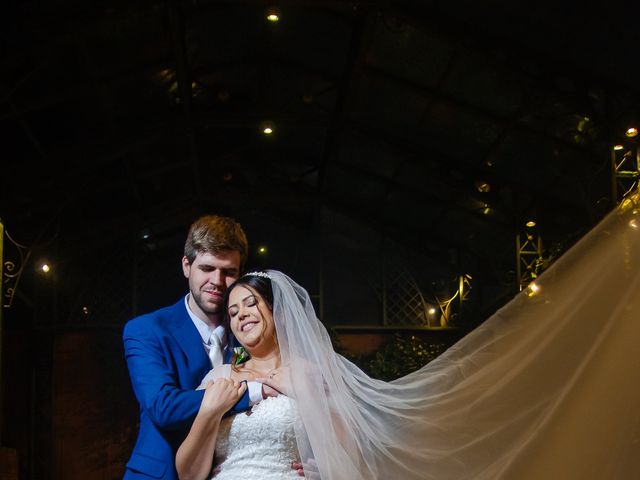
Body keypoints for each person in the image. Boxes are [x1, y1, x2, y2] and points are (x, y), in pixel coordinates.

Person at [178, 190, 640, 480]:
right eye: (234, 311)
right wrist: (208, 413)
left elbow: (348, 451)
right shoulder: (219, 378)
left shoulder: (312, 372)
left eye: (251, 304)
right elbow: (188, 472)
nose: (241, 315)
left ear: (277, 312)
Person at [123, 215, 258, 479]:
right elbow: (164, 407)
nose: (217, 282)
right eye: (207, 268)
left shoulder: (250, 332)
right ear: (187, 266)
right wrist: (252, 392)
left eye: (229, 272)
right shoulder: (146, 330)